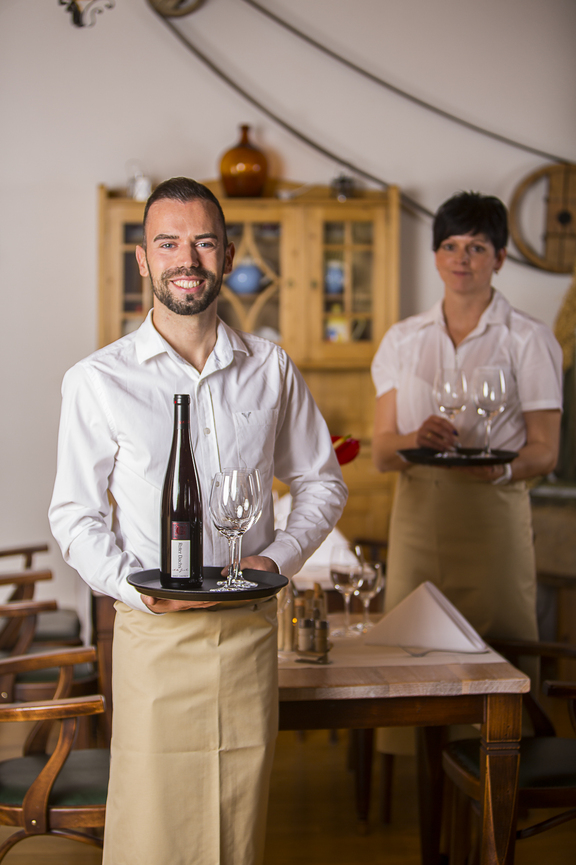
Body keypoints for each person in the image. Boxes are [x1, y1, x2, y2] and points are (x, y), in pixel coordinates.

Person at [49, 177, 347, 865]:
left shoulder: (270, 369)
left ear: (229, 254)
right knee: (152, 831)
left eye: (204, 242)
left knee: (236, 828)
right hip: (155, 635)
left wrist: (279, 558)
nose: (188, 258)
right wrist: (131, 583)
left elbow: (321, 482)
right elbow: (74, 514)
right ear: (143, 260)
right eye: (169, 243)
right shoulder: (99, 379)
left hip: (247, 636)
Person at [371, 192, 562, 755]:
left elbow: (545, 451)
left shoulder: (528, 338)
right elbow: (382, 453)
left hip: (493, 515)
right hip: (417, 516)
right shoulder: (401, 340)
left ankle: (497, 776)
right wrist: (414, 439)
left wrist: (499, 471)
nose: (462, 258)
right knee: (411, 661)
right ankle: (427, 785)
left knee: (496, 663)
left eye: (477, 247)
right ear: (435, 256)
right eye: (451, 246)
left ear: (499, 258)